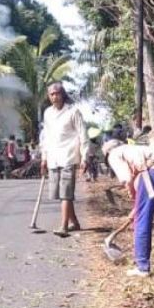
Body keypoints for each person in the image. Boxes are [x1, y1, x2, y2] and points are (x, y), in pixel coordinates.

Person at [103, 140, 154, 277]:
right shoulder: (137, 147)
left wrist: (134, 199)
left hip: (152, 175)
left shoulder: (113, 154)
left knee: (142, 221)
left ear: (107, 152)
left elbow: (127, 179)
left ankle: (142, 266)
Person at [39, 82, 88, 237]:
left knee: (66, 193)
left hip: (68, 156)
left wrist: (84, 157)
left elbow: (83, 136)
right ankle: (75, 223)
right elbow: (45, 137)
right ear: (49, 96)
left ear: (63, 94)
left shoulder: (73, 112)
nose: (55, 96)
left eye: (57, 93)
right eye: (51, 94)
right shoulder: (47, 113)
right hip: (53, 158)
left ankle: (64, 226)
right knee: (60, 194)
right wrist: (44, 158)